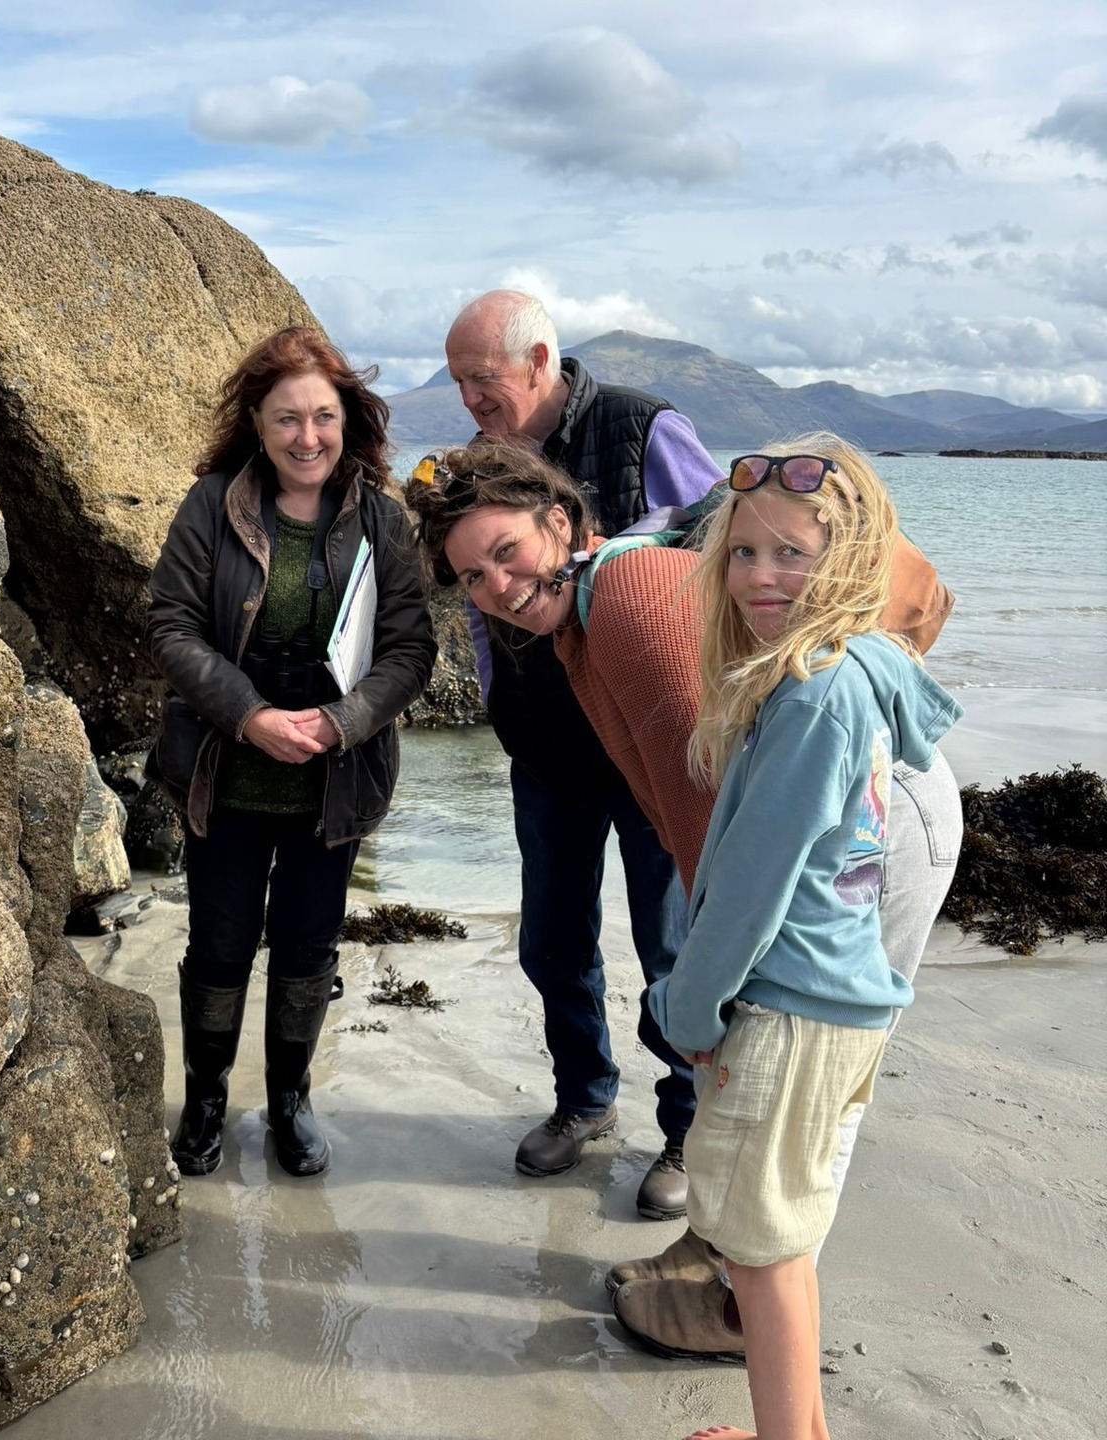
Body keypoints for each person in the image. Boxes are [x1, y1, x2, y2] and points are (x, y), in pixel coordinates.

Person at [405, 436, 961, 1370]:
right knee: (764, 1073)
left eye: (507, 553)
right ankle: (725, 1266)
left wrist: (710, 989)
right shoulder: (586, 617)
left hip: (872, 815)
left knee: (799, 1080)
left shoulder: (624, 606)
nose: (496, 587)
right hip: (840, 804)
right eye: (471, 576)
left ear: (561, 524)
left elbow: (718, 815)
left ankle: (745, 1309)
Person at [644, 445, 961, 1440]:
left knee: (761, 1255)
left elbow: (747, 893)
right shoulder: (858, 670)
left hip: (785, 1013)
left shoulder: (813, 699)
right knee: (785, 1240)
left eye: (793, 553)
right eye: (743, 555)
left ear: (853, 558)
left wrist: (686, 1010)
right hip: (843, 1005)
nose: (761, 578)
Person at [442, 290, 721, 1218]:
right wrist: (494, 693)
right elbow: (477, 591)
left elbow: (720, 544)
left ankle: (687, 1130)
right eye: (459, 385)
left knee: (672, 947)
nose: (472, 401)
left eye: (483, 380)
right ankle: (585, 1099)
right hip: (549, 752)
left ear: (539, 360)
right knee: (553, 940)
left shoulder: (643, 428)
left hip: (649, 741)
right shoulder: (487, 462)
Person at [145, 326, 436, 1179]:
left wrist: (343, 722)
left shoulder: (382, 518)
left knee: (309, 949)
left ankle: (290, 1102)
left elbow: (409, 650)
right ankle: (205, 1102)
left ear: (349, 418)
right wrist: (250, 716)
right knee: (219, 948)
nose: (307, 437)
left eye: (322, 417)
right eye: (286, 420)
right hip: (225, 777)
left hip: (332, 788)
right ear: (258, 425)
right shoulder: (211, 504)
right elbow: (170, 626)